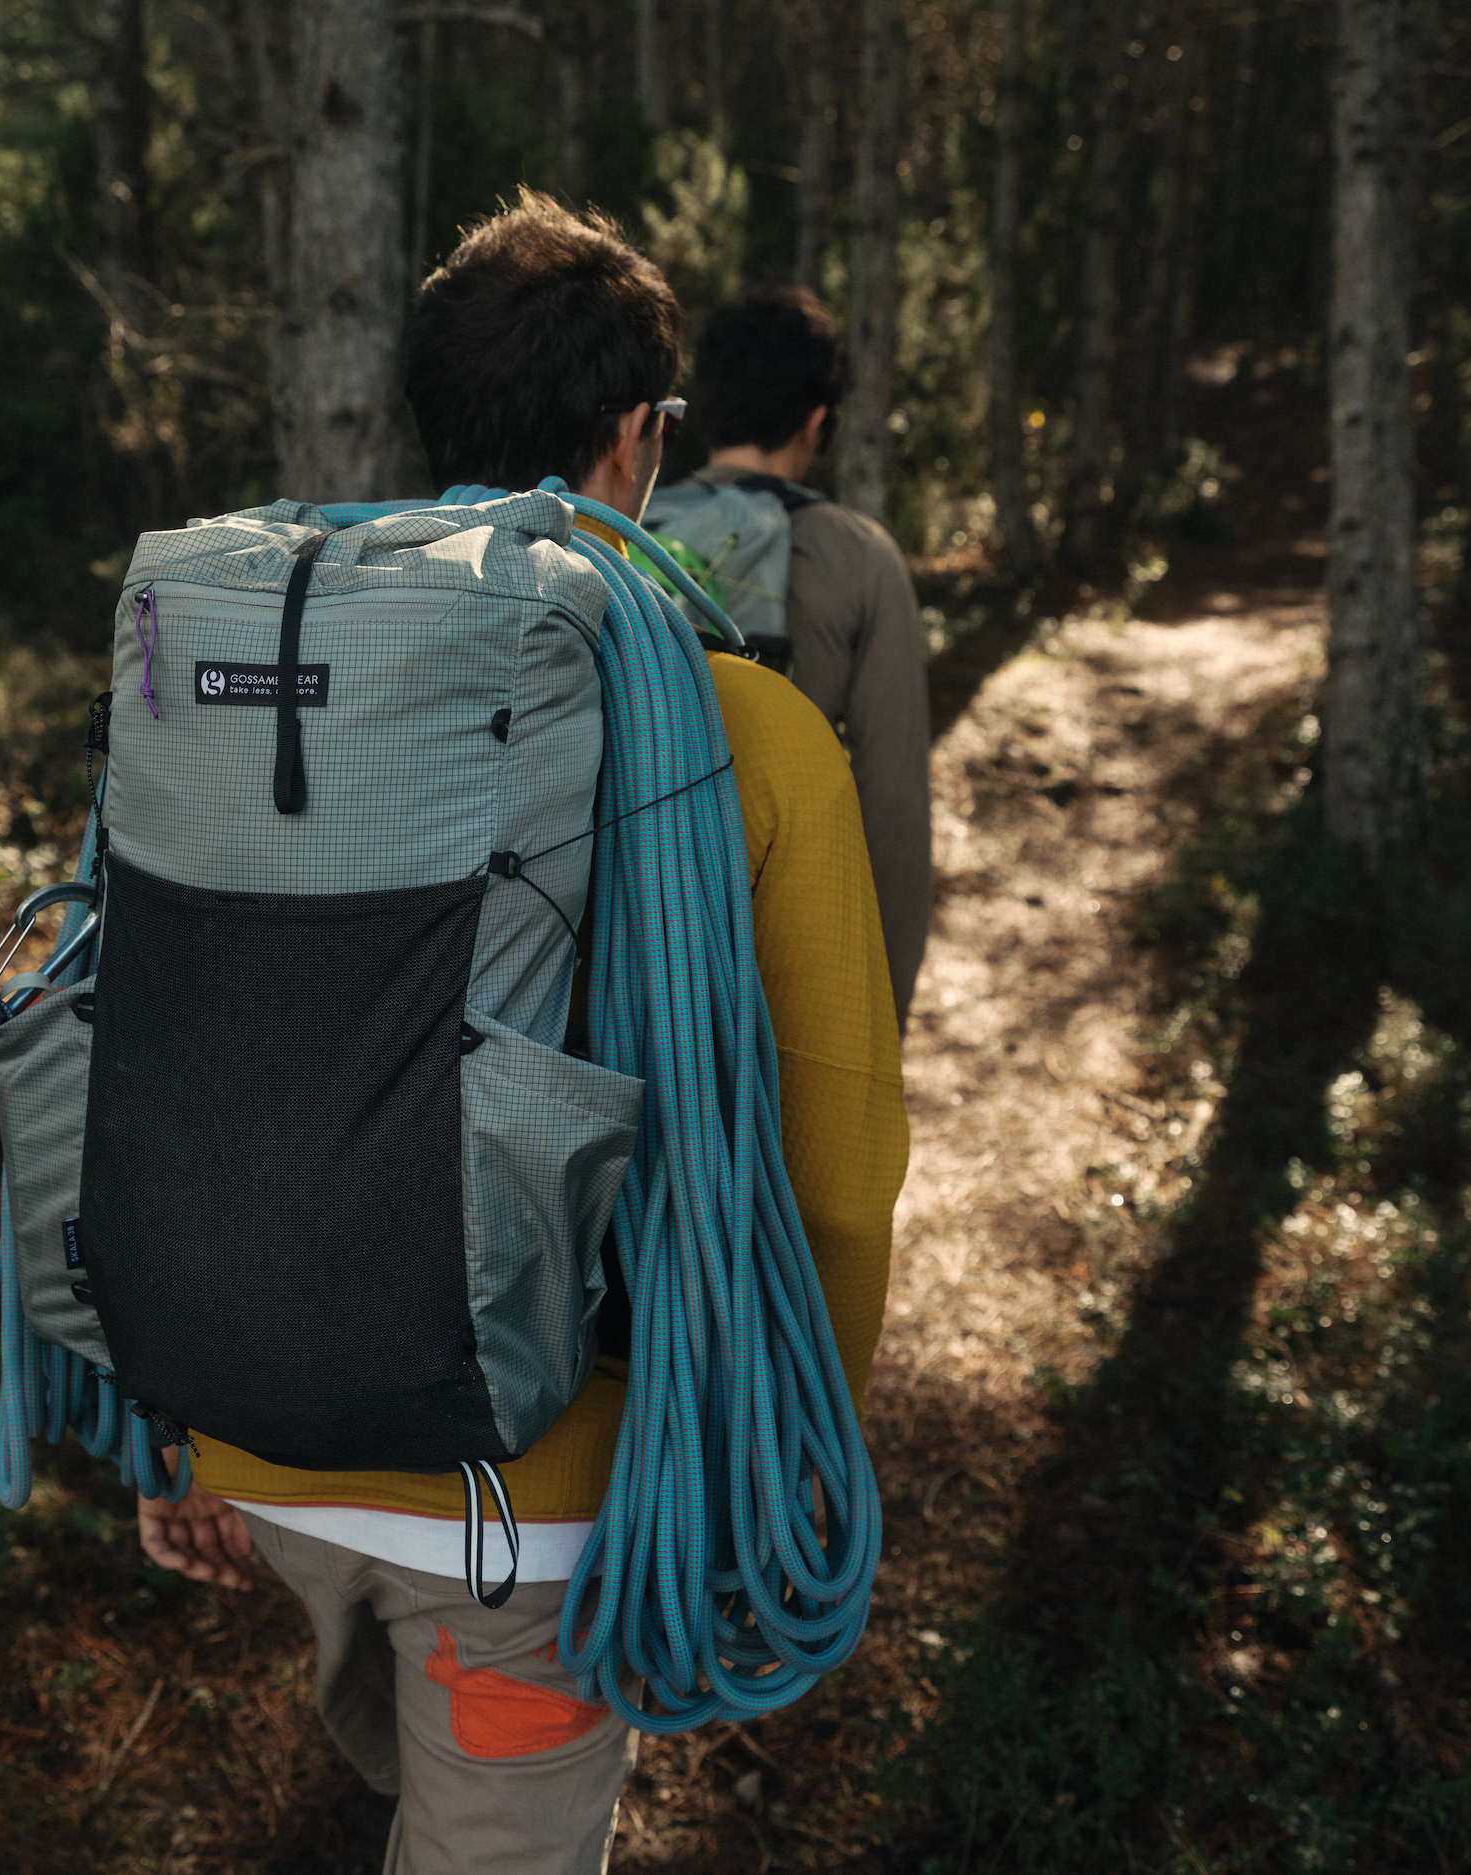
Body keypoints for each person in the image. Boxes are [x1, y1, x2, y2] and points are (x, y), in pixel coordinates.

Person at [129, 192, 907, 1875]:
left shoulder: (271, 683)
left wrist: (181, 1421)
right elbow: (839, 1178)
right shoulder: (746, 730)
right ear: (639, 435)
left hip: (261, 1435)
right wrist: (782, 1453)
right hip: (528, 1502)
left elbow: (165, 1053)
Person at [659, 286, 932, 1029]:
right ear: (816, 423)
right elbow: (893, 806)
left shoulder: (629, 533)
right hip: (785, 980)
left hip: (635, 973)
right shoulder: (860, 557)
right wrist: (883, 1020)